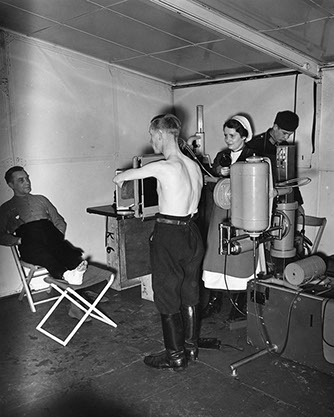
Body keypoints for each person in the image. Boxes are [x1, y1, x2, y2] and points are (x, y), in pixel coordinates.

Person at [113, 114, 204, 371]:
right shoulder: (193, 166)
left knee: (165, 293)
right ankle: (191, 348)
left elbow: (121, 178)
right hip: (191, 231)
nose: (151, 139)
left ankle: (174, 356)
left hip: (169, 234)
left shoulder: (164, 167)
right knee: (189, 291)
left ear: (161, 134)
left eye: (152, 135)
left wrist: (121, 178)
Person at [0, 166, 96, 320]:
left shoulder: (41, 199)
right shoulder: (6, 208)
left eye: (27, 177)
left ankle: (75, 306)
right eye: (21, 180)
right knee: (48, 254)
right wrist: (18, 240)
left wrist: (56, 237)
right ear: (11, 185)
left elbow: (59, 221)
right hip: (28, 241)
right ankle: (71, 279)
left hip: (50, 236)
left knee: (71, 256)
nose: (27, 182)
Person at [201, 115, 259, 322]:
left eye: (232, 135)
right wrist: (219, 171)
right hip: (220, 211)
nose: (227, 139)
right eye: (226, 135)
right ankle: (214, 300)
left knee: (239, 257)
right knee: (216, 254)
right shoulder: (222, 155)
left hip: (242, 213)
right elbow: (211, 176)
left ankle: (239, 303)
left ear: (244, 136)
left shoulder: (254, 156)